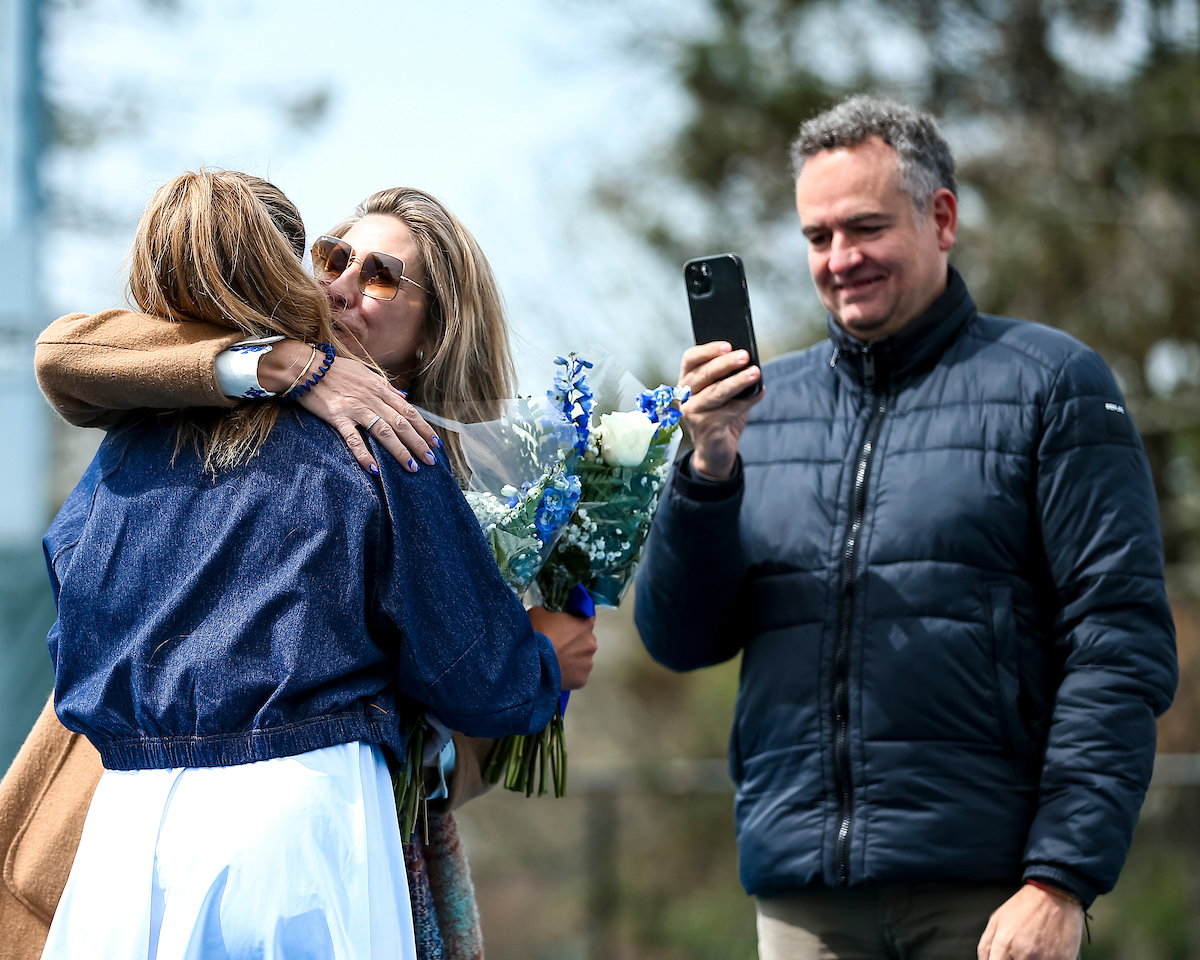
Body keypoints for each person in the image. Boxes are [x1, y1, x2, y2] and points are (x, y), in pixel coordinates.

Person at [634, 96, 1178, 960]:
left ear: (943, 217)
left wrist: (1062, 879)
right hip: (802, 899)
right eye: (818, 237)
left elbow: (1119, 647)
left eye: (865, 228)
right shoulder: (757, 415)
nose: (840, 259)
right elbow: (678, 639)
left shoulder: (1053, 385)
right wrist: (707, 470)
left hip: (991, 898)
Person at [4, 183, 598, 960]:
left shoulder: (143, 433)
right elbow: (476, 675)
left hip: (125, 834)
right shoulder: (377, 443)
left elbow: (70, 579)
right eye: (333, 256)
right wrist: (544, 664)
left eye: (383, 276)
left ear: (433, 338)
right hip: (292, 830)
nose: (346, 283)